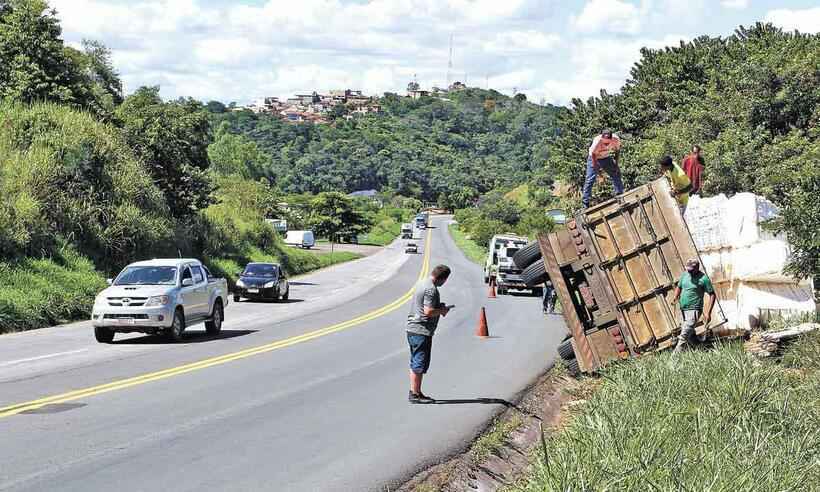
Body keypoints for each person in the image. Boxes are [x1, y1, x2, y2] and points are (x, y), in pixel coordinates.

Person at [406, 264, 452, 403]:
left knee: (416, 360)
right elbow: (428, 311)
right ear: (443, 278)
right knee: (419, 362)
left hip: (413, 329)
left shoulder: (422, 283)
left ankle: (416, 391)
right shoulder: (431, 289)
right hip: (421, 330)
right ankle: (415, 394)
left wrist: (439, 307)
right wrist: (443, 311)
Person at [669, 258, 716, 353]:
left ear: (697, 268)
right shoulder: (684, 275)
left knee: (684, 334)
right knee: (690, 335)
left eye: (691, 270)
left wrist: (708, 313)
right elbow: (679, 286)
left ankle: (674, 359)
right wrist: (675, 296)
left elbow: (712, 295)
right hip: (683, 309)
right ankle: (704, 350)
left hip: (694, 310)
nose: (689, 271)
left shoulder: (703, 279)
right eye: (688, 269)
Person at [581, 129, 624, 209]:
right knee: (590, 179)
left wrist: (616, 165)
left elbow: (617, 151)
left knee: (616, 173)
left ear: (611, 139)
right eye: (604, 143)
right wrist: (599, 175)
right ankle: (585, 203)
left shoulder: (616, 139)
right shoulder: (597, 142)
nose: (606, 144)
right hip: (594, 158)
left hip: (606, 157)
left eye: (608, 143)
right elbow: (594, 159)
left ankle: (619, 195)